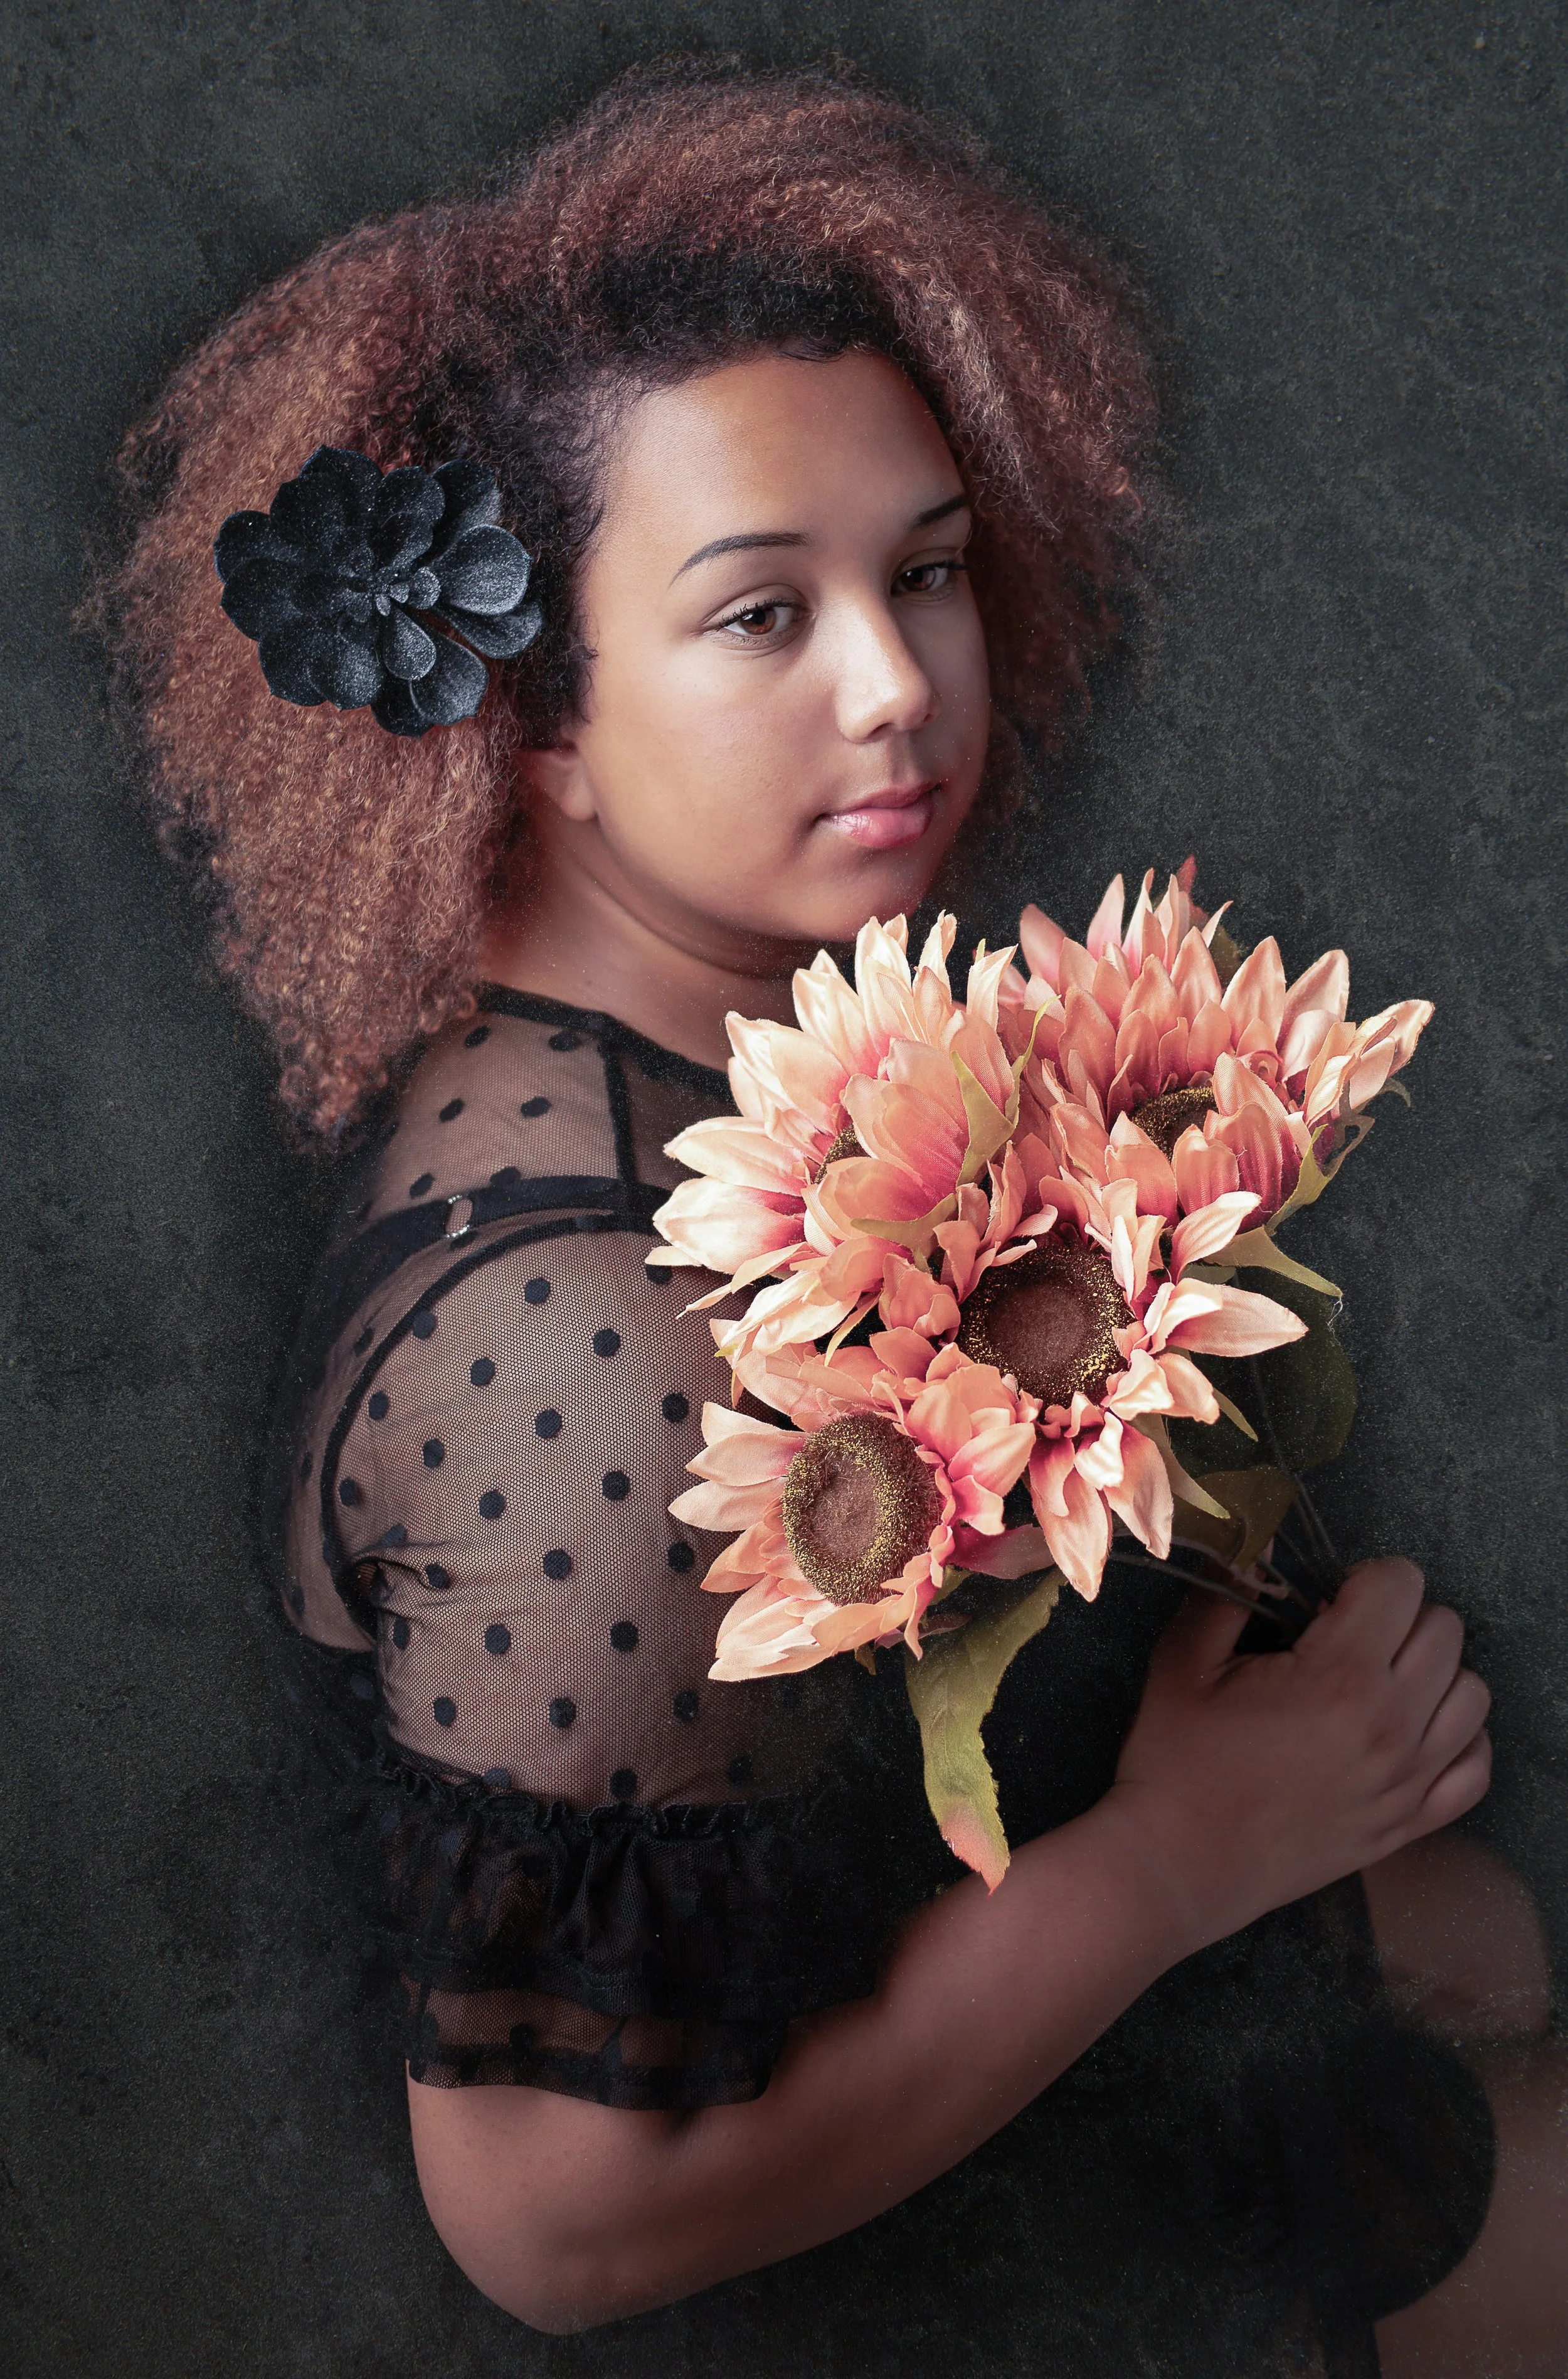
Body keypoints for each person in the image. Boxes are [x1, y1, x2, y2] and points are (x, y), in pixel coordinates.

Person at [93, 61, 1561, 2378]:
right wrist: (1179, 1862)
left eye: (928, 572)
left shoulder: (754, 1074)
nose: (899, 687)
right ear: (532, 716)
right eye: (763, 613)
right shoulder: (584, 1335)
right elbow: (561, 2232)